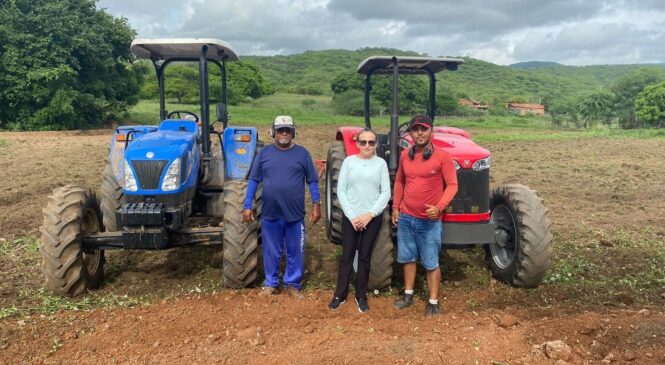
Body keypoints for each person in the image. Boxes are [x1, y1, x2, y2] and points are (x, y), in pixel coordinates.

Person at [243, 116, 321, 300]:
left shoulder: (302, 154)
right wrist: (248, 204)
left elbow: (312, 180)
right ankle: (271, 283)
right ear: (273, 132)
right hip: (271, 212)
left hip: (295, 214)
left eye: (287, 130)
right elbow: (254, 179)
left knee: (296, 250)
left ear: (294, 132)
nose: (284, 133)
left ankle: (293, 284)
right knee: (271, 249)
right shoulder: (264, 154)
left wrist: (316, 205)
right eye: (280, 130)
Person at [391, 114, 458, 316]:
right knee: (408, 257)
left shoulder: (443, 156)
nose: (419, 133)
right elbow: (400, 181)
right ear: (410, 133)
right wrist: (396, 207)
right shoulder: (405, 155)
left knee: (430, 261)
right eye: (415, 129)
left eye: (424, 129)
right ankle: (408, 294)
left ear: (431, 131)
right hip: (406, 218)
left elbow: (453, 185)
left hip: (429, 221)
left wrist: (439, 206)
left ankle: (433, 301)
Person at [328, 129, 390, 313]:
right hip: (351, 218)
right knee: (346, 256)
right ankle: (339, 294)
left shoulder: (380, 164)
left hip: (371, 218)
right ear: (357, 143)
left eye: (371, 142)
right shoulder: (349, 162)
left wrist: (370, 214)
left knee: (364, 257)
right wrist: (352, 215)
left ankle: (361, 296)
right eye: (363, 142)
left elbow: (385, 192)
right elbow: (341, 191)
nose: (367, 146)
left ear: (376, 144)